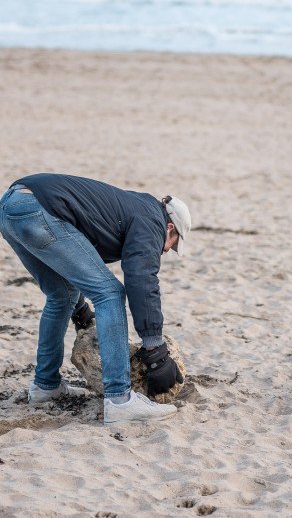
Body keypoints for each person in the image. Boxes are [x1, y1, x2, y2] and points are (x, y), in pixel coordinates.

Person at [0, 173, 191, 424]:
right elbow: (141, 280)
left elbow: (73, 250)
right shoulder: (151, 221)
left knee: (61, 296)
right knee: (110, 293)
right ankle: (119, 400)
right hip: (40, 208)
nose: (166, 250)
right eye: (173, 243)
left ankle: (45, 387)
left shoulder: (131, 207)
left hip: (11, 207)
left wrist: (79, 307)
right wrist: (155, 349)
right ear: (169, 227)